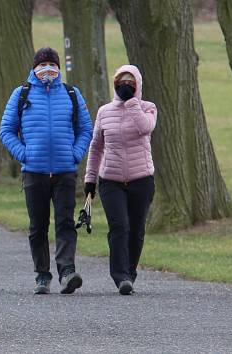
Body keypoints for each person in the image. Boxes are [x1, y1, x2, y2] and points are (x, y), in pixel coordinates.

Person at [0, 47, 93, 295]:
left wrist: (75, 154)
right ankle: (42, 275)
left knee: (65, 223)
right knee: (37, 226)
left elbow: (86, 129)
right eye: (43, 65)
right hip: (34, 172)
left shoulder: (72, 94)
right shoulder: (21, 94)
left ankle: (67, 272)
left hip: (65, 171)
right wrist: (24, 154)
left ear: (59, 68)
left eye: (52, 65)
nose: (48, 70)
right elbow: (6, 130)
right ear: (34, 69)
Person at [84, 65, 156, 295]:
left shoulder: (148, 108)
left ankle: (130, 273)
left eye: (130, 82)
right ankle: (120, 276)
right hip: (110, 180)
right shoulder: (105, 112)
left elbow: (145, 128)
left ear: (138, 85)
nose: (126, 85)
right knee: (119, 227)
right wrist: (90, 180)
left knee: (136, 229)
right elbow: (96, 148)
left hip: (141, 179)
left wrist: (131, 102)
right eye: (121, 82)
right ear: (114, 84)